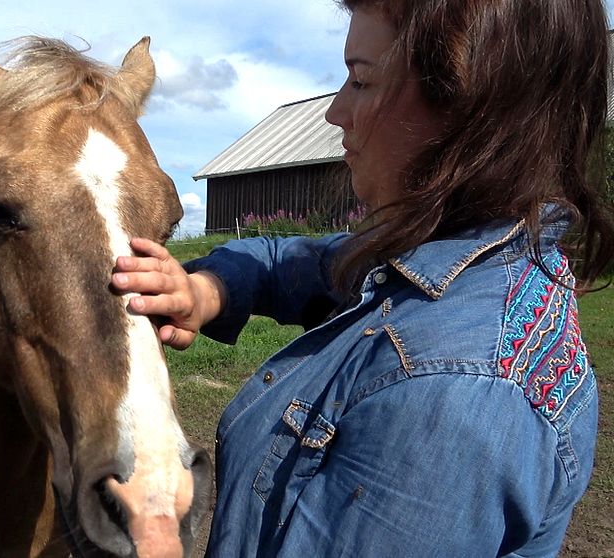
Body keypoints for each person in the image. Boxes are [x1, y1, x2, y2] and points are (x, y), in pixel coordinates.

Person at [111, 0, 614, 555]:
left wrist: (153, 543)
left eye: (360, 80)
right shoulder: (463, 260)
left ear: (467, 105)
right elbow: (289, 261)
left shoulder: (446, 401)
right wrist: (207, 290)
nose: (335, 112)